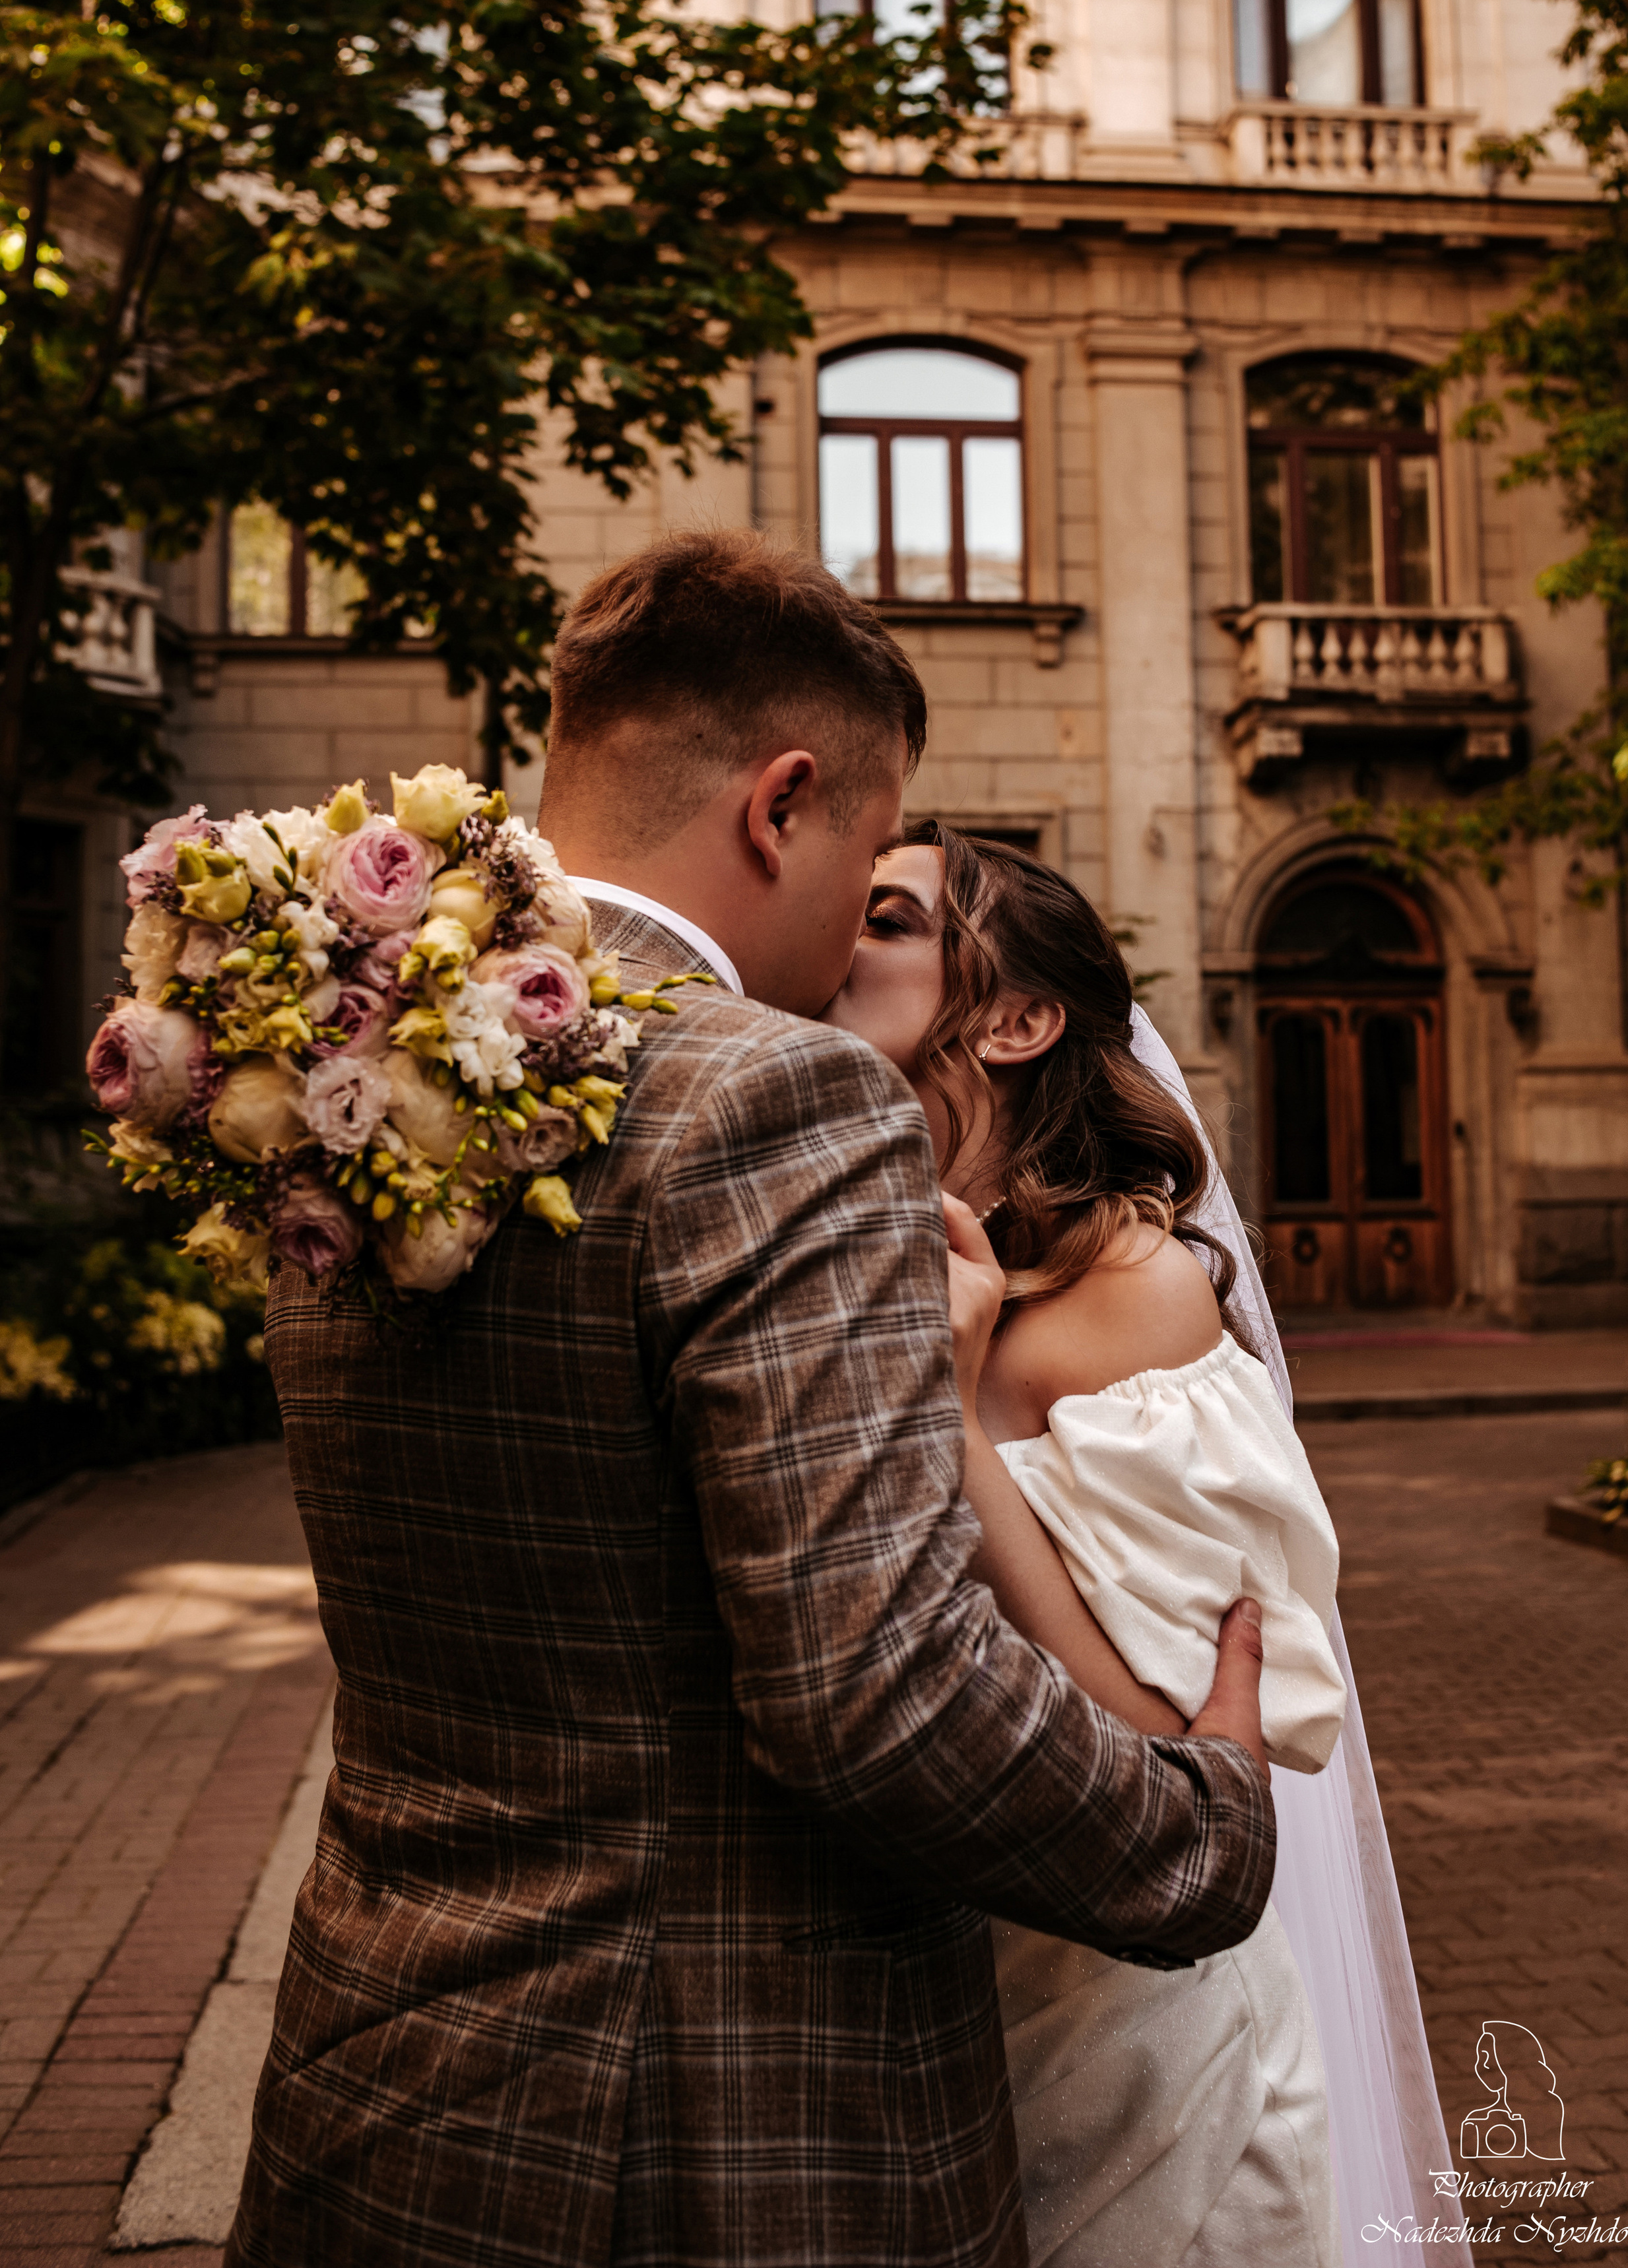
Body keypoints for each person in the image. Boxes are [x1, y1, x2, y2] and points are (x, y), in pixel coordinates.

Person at [227, 531, 1274, 2268]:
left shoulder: (339, 1073)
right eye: (867, 857)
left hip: (378, 2074)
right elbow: (878, 1696)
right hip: (711, 2132)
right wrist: (1207, 1820)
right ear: (785, 806)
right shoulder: (780, 1099)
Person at [824, 822, 1471, 2268]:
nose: (841, 937)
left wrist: (955, 1416)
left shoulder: (1136, 1290)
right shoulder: (868, 1247)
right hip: (934, 1988)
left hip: (1125, 2018)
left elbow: (1179, 1749)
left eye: (889, 915)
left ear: (1016, 1017)